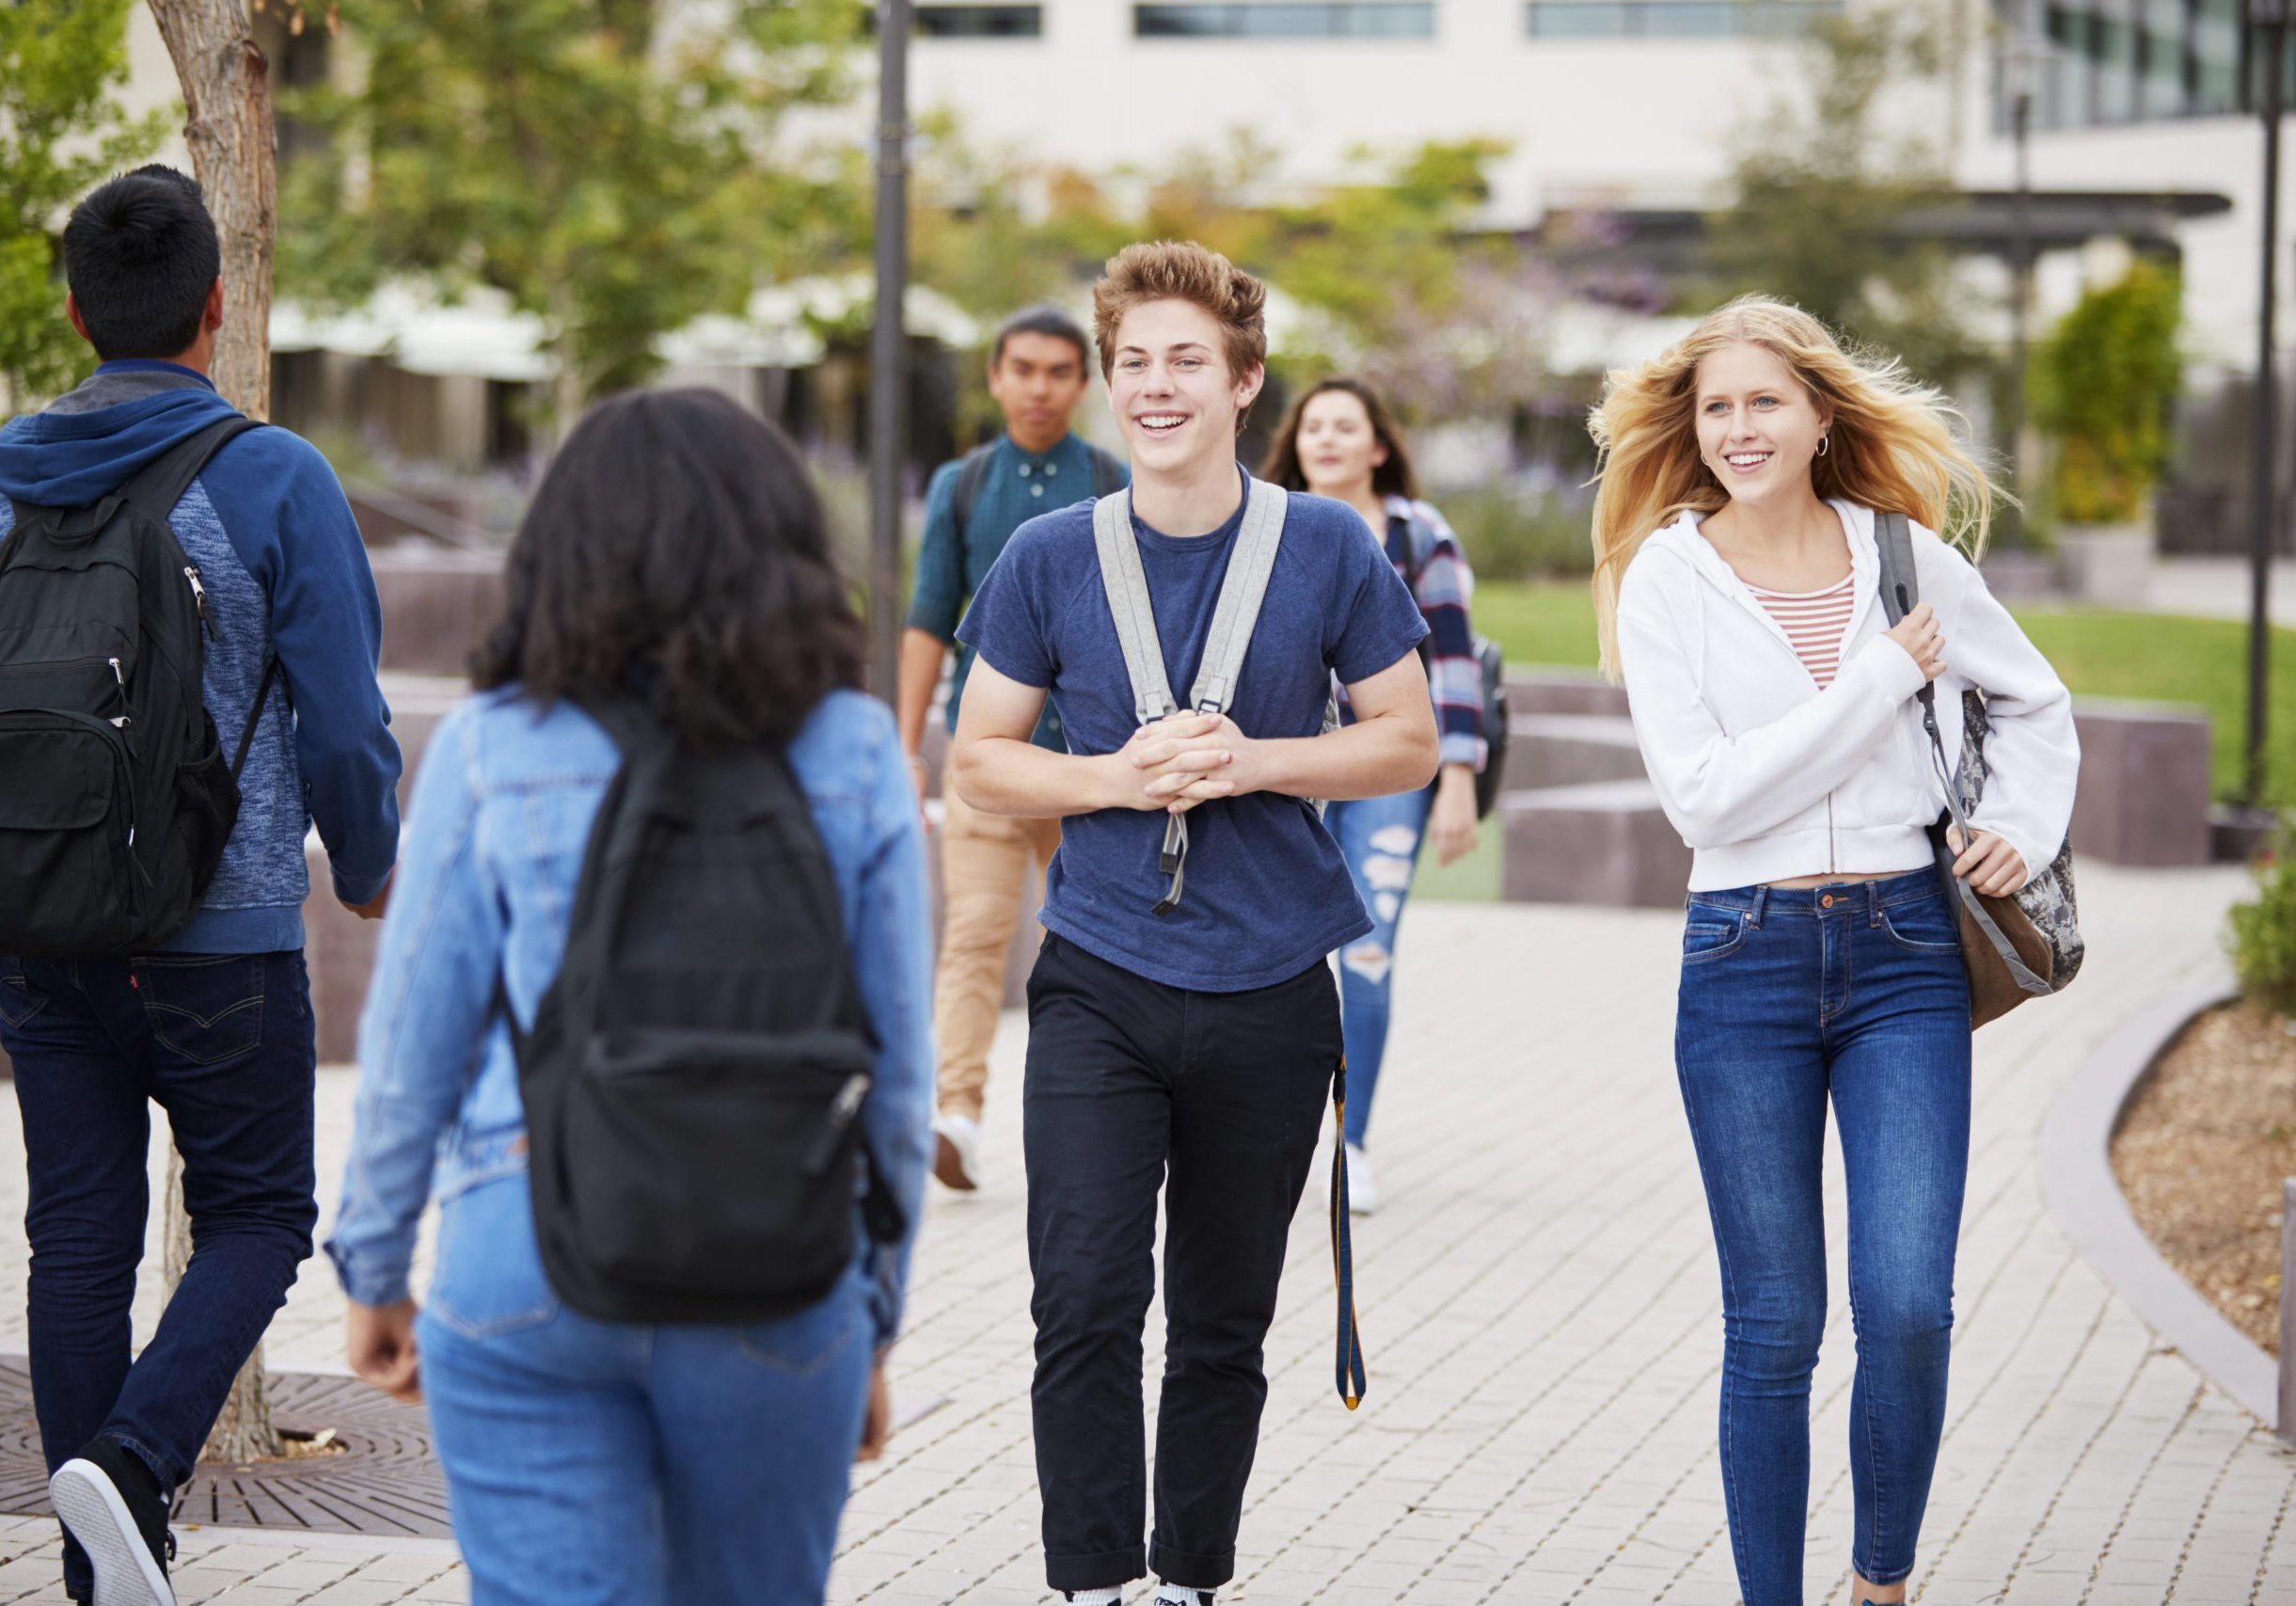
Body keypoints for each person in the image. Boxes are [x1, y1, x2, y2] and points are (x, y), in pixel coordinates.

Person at [324, 390, 933, 1606]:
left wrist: (377, 1268)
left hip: (524, 1246)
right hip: (777, 1263)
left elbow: (410, 1050)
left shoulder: (498, 742)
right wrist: (866, 1315)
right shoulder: (856, 747)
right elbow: (898, 1082)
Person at [950, 241, 1437, 1606]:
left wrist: (1256, 757)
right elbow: (977, 760)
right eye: (1134, 363)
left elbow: (1405, 741)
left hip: (1275, 982)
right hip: (1101, 973)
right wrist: (1112, 777)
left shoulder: (1328, 543)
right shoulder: (1051, 555)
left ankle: (1189, 1580)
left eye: (1184, 361)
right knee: (1084, 1296)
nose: (1154, 386)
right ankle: (1090, 1583)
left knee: (1223, 1322)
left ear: (1243, 380)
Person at [1589, 295, 2078, 1606]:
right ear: (1690, 432)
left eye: (1763, 401)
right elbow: (1705, 798)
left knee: (1908, 1300)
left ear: (1817, 414)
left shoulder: (1905, 558)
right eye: (1715, 408)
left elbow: (2034, 699)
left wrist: (2016, 830)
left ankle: (1881, 1576)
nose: (1739, 427)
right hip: (1741, 955)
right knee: (1774, 1326)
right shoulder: (1666, 578)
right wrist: (1876, 681)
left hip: (1904, 947)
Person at [0, 167, 402, 1606]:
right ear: (217, 306)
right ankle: (137, 1461)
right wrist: (366, 865)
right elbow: (347, 719)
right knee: (258, 1215)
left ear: (72, 307)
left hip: (41, 932)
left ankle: (100, 1561)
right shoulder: (274, 474)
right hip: (219, 936)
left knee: (82, 1235)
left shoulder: (5, 471)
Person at [900, 305, 1125, 1193]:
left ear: (1081, 383)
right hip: (987, 757)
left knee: (1101, 945)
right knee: (975, 935)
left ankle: (1108, 1118)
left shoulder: (1114, 477)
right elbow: (927, 619)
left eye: (1058, 371)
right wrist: (904, 743)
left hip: (1097, 766)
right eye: (1022, 368)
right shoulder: (961, 485)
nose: (1038, 386)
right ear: (995, 377)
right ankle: (955, 1114)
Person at [1260, 377, 1487, 1214]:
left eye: (1343, 426)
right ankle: (1278, 1133)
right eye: (1311, 425)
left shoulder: (1419, 533)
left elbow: (1454, 663)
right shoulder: (1263, 523)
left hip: (1391, 775)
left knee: (1366, 950)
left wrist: (1456, 776)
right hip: (1287, 765)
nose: (1324, 439)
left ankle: (1349, 1141)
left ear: (1377, 445)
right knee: (1279, 952)